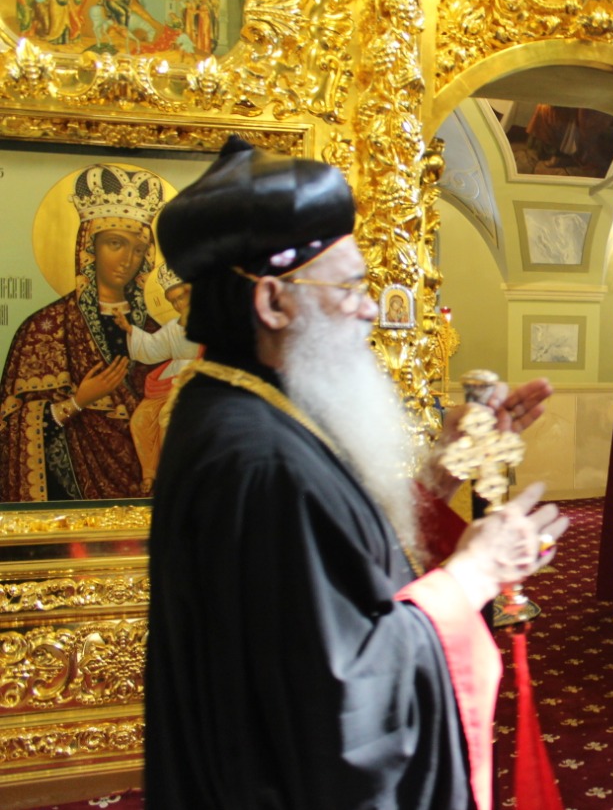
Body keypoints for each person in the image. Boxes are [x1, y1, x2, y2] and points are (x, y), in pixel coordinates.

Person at [145, 136, 568, 809]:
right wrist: (475, 574)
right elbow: (343, 704)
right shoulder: (256, 456)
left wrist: (442, 471)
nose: (373, 308)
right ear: (273, 302)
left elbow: (326, 562)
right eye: (349, 286)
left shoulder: (247, 403)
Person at [0, 164, 163, 501]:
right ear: (89, 248)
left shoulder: (155, 330)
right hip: (68, 499)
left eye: (137, 249)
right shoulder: (45, 329)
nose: (127, 260)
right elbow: (10, 428)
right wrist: (77, 402)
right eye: (115, 243)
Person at [113, 262, 199, 494]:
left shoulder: (211, 322)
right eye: (174, 301)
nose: (180, 304)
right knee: (140, 420)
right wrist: (130, 330)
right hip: (171, 379)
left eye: (182, 296)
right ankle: (150, 474)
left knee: (166, 417)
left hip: (198, 381)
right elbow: (153, 348)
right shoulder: (173, 327)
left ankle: (172, 476)